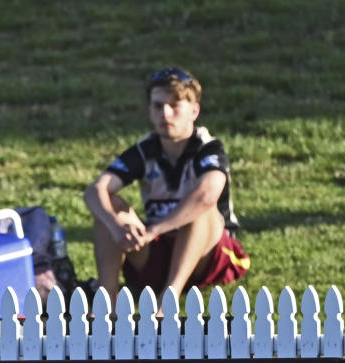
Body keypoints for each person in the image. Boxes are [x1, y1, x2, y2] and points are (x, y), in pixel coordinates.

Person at [84, 67, 250, 306]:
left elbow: (207, 195)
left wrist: (154, 230)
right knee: (108, 206)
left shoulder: (208, 147)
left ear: (194, 111)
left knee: (199, 209)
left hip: (209, 254)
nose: (165, 114)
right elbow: (94, 191)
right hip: (158, 249)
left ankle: (167, 299)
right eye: (158, 106)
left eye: (174, 106)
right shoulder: (145, 149)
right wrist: (116, 226)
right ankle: (107, 300)